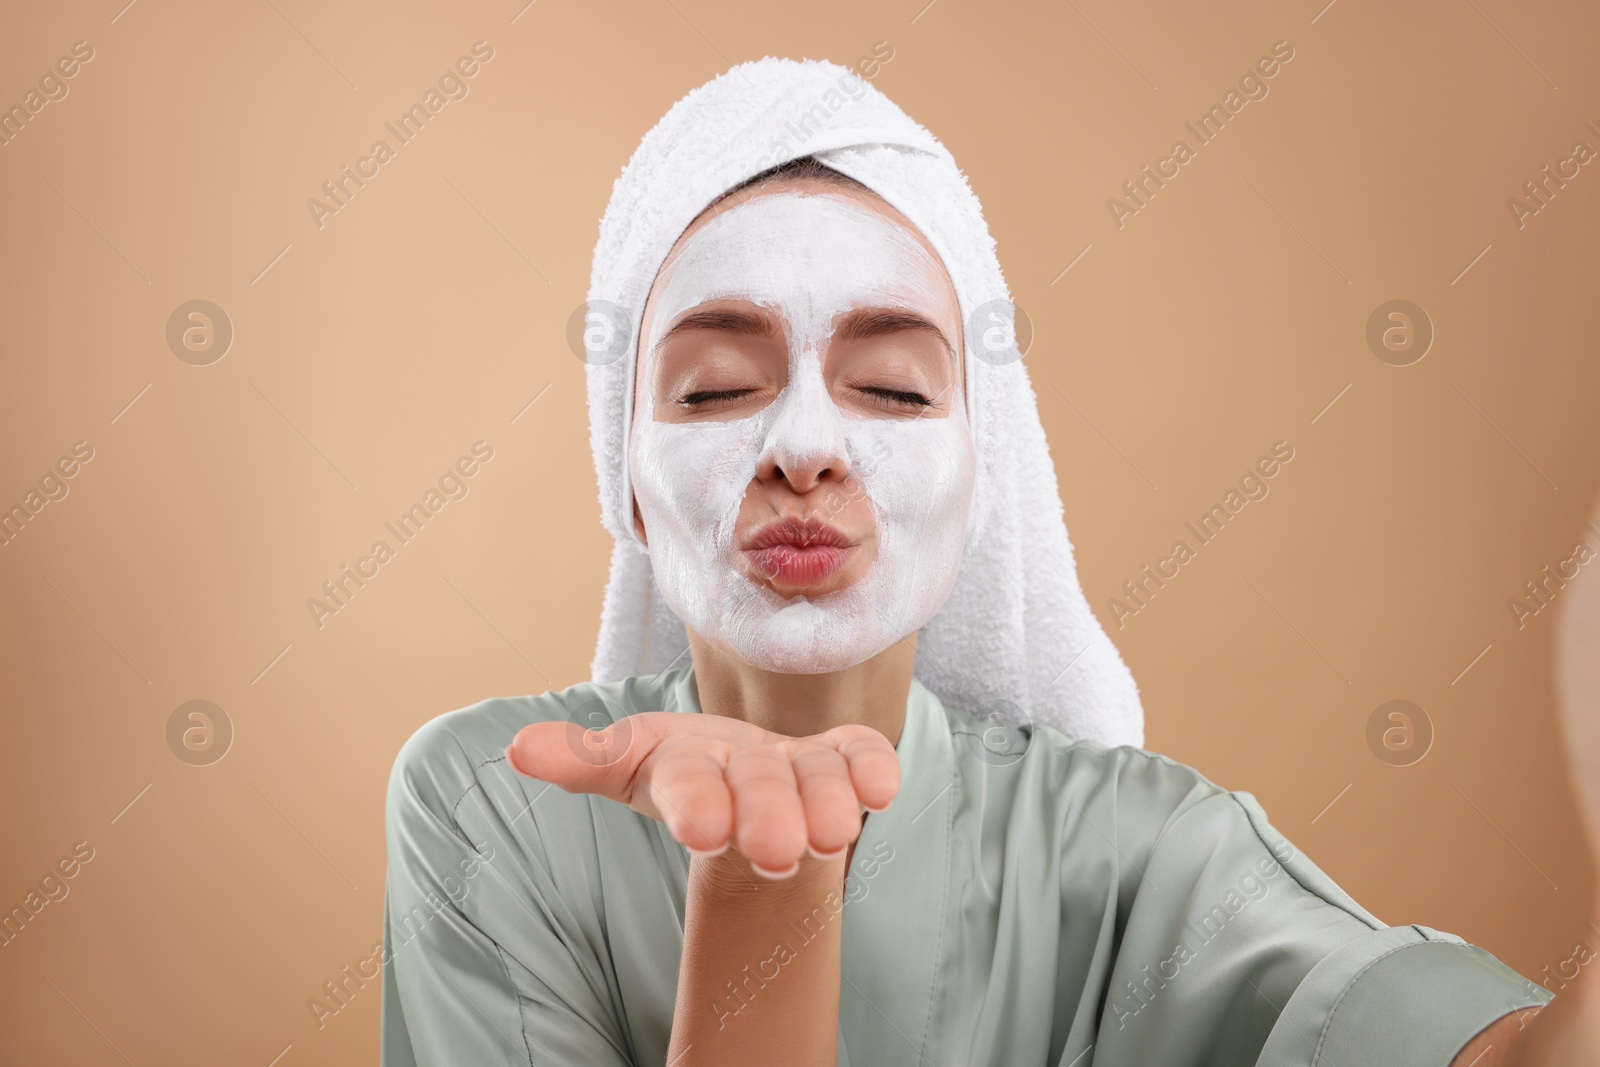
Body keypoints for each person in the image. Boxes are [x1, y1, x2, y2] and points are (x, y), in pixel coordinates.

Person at [379, 58, 1600, 1065]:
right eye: (715, 387)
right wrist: (763, 884)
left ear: (981, 478)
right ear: (625, 483)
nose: (804, 445)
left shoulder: (1136, 853)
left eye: (894, 388)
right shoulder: (493, 800)